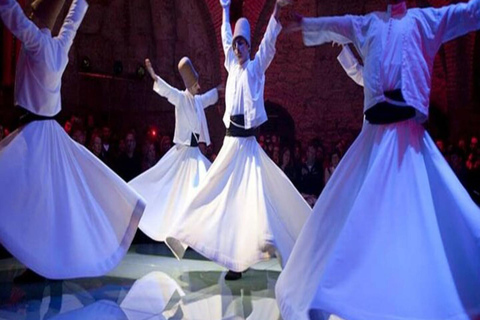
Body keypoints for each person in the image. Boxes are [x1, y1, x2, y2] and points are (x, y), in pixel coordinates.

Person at [276, 0, 480, 319]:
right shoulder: (369, 24)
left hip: (406, 137)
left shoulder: (425, 20)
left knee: (411, 217)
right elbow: (339, 23)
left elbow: (465, 14)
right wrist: (305, 24)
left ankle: (409, 291)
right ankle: (346, 287)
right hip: (374, 136)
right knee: (347, 213)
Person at [166, 0, 311, 281]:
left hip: (248, 145)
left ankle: (279, 248)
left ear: (248, 46)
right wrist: (224, 9)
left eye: (241, 44)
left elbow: (268, 43)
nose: (236, 49)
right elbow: (222, 37)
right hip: (231, 143)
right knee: (213, 190)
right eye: (235, 45)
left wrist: (275, 14)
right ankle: (184, 233)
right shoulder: (231, 67)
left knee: (257, 199)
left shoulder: (255, 69)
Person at [0, 0, 145, 279]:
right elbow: (73, 20)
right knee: (46, 199)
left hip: (34, 134)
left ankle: (39, 259)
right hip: (49, 132)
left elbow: (10, 14)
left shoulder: (36, 43)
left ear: (36, 16)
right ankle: (41, 259)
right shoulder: (59, 46)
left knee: (27, 192)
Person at [129, 57, 219, 247]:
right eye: (195, 84)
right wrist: (154, 75)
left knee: (206, 186)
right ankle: (177, 233)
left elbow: (211, 97)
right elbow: (167, 91)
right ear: (189, 85)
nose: (199, 87)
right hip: (183, 155)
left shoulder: (197, 101)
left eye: (198, 83)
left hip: (195, 155)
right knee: (176, 192)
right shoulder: (180, 98)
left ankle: (196, 234)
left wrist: (222, 89)